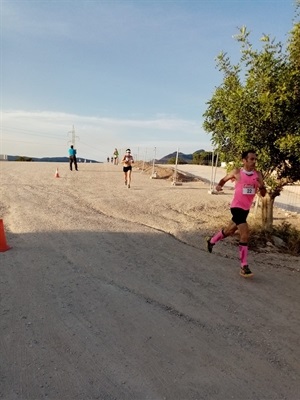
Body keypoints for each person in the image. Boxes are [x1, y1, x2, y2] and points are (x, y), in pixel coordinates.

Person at [206, 150, 266, 277]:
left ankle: (211, 241)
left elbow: (264, 194)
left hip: (246, 209)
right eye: (251, 159)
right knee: (245, 234)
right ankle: (244, 266)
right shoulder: (237, 172)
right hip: (236, 207)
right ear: (244, 160)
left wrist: (261, 186)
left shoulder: (258, 174)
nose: (254, 161)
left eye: (255, 159)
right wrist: (219, 186)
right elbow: (223, 179)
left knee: (229, 231)